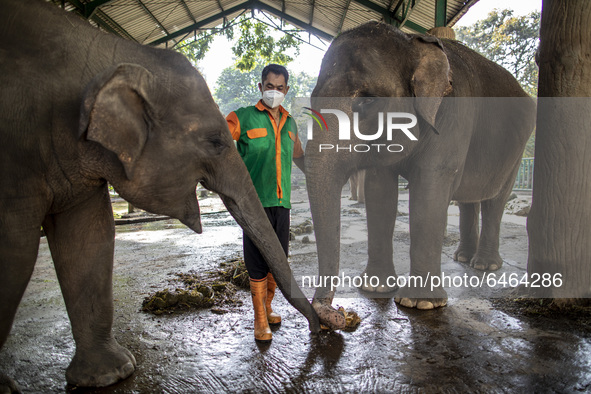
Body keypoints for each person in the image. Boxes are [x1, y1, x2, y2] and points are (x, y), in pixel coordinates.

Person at [226, 64, 305, 342]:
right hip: (254, 205)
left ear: (286, 90)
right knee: (257, 260)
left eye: (280, 88)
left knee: (278, 259)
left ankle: (268, 306)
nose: (274, 92)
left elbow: (299, 157)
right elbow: (218, 140)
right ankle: (260, 319)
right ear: (260, 87)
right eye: (269, 86)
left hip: (282, 203)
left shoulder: (291, 123)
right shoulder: (242, 118)